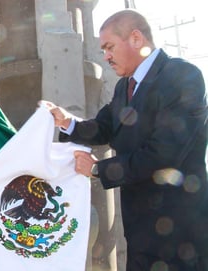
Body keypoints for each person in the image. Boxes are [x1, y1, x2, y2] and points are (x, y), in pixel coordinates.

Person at [44, 9, 208, 271]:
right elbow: (104, 127)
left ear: (135, 38)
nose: (106, 56)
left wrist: (98, 169)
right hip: (139, 232)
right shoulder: (125, 87)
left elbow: (162, 155)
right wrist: (66, 121)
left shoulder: (182, 77)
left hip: (180, 235)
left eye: (109, 47)